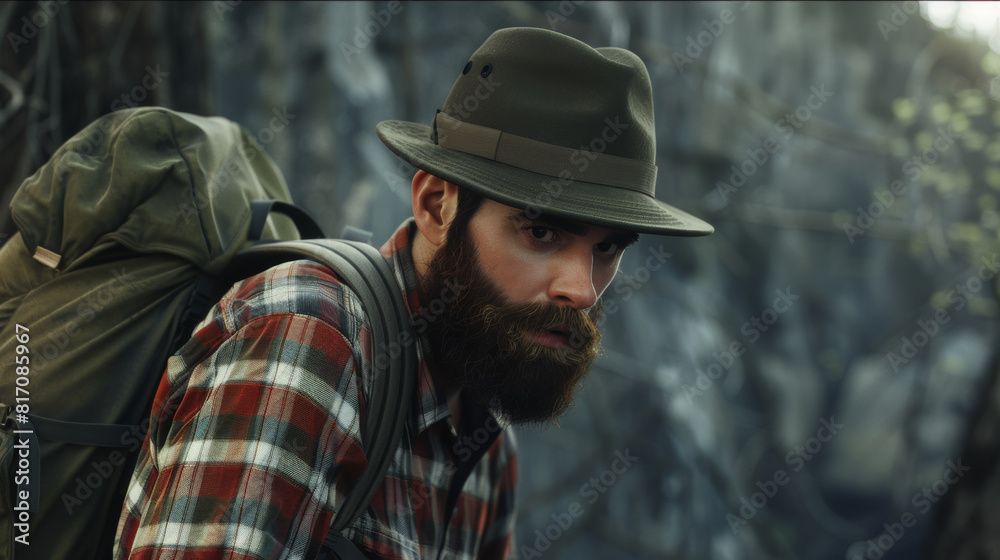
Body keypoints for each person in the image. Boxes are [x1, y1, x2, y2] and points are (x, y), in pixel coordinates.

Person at [114, 26, 712, 560]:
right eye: (540, 232)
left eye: (608, 249)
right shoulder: (309, 338)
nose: (581, 289)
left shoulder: (486, 442)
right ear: (435, 205)